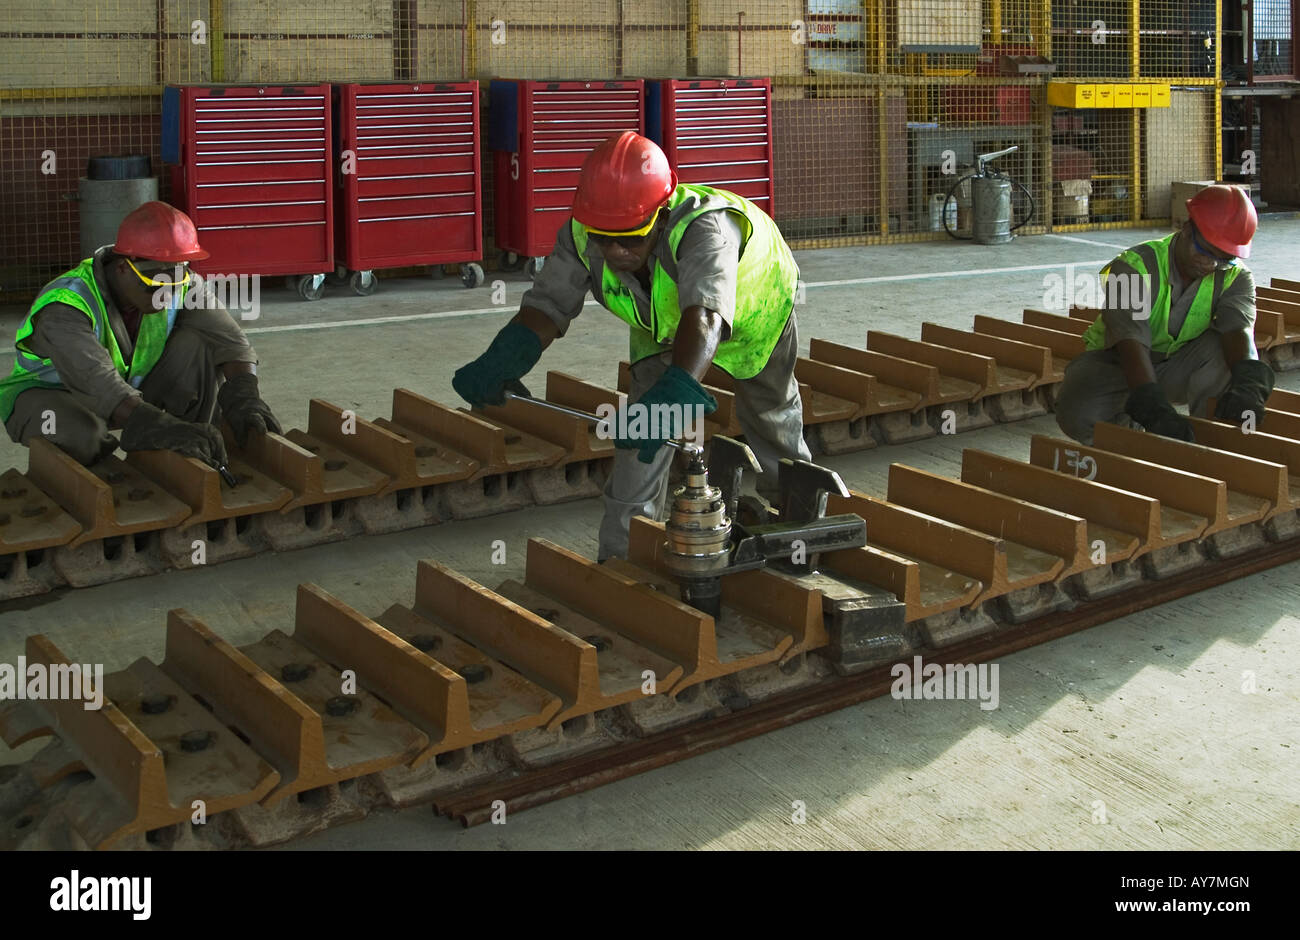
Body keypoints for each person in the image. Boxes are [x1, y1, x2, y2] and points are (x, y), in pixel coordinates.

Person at [453, 131, 810, 560]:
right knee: (642, 434)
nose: (617, 252)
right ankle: (623, 557)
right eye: (605, 239)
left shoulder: (706, 229)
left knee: (768, 413)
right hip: (660, 324)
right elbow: (548, 306)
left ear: (661, 214)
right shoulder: (584, 233)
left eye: (631, 238)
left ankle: (801, 527)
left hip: (756, 309)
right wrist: (502, 359)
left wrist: (677, 391)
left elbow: (707, 317)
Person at [1, 201, 280, 470]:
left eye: (175, 280)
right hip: (51, 395)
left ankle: (189, 454)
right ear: (123, 267)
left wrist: (245, 395)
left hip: (126, 390)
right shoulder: (65, 306)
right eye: (155, 285)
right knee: (84, 435)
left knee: (199, 347)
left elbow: (230, 342)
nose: (166, 295)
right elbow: (100, 385)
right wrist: (157, 425)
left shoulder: (178, 283)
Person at [1055, 184, 1272, 445]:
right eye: (1206, 251)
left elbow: (1239, 332)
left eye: (1224, 258)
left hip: (1176, 363)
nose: (1212, 264)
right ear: (1186, 227)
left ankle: (1212, 442)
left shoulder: (1235, 276)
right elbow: (1130, 343)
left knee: (1224, 353)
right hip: (1118, 362)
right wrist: (1152, 406)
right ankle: (1126, 438)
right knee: (1077, 410)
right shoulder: (1135, 266)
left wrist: (1250, 384)